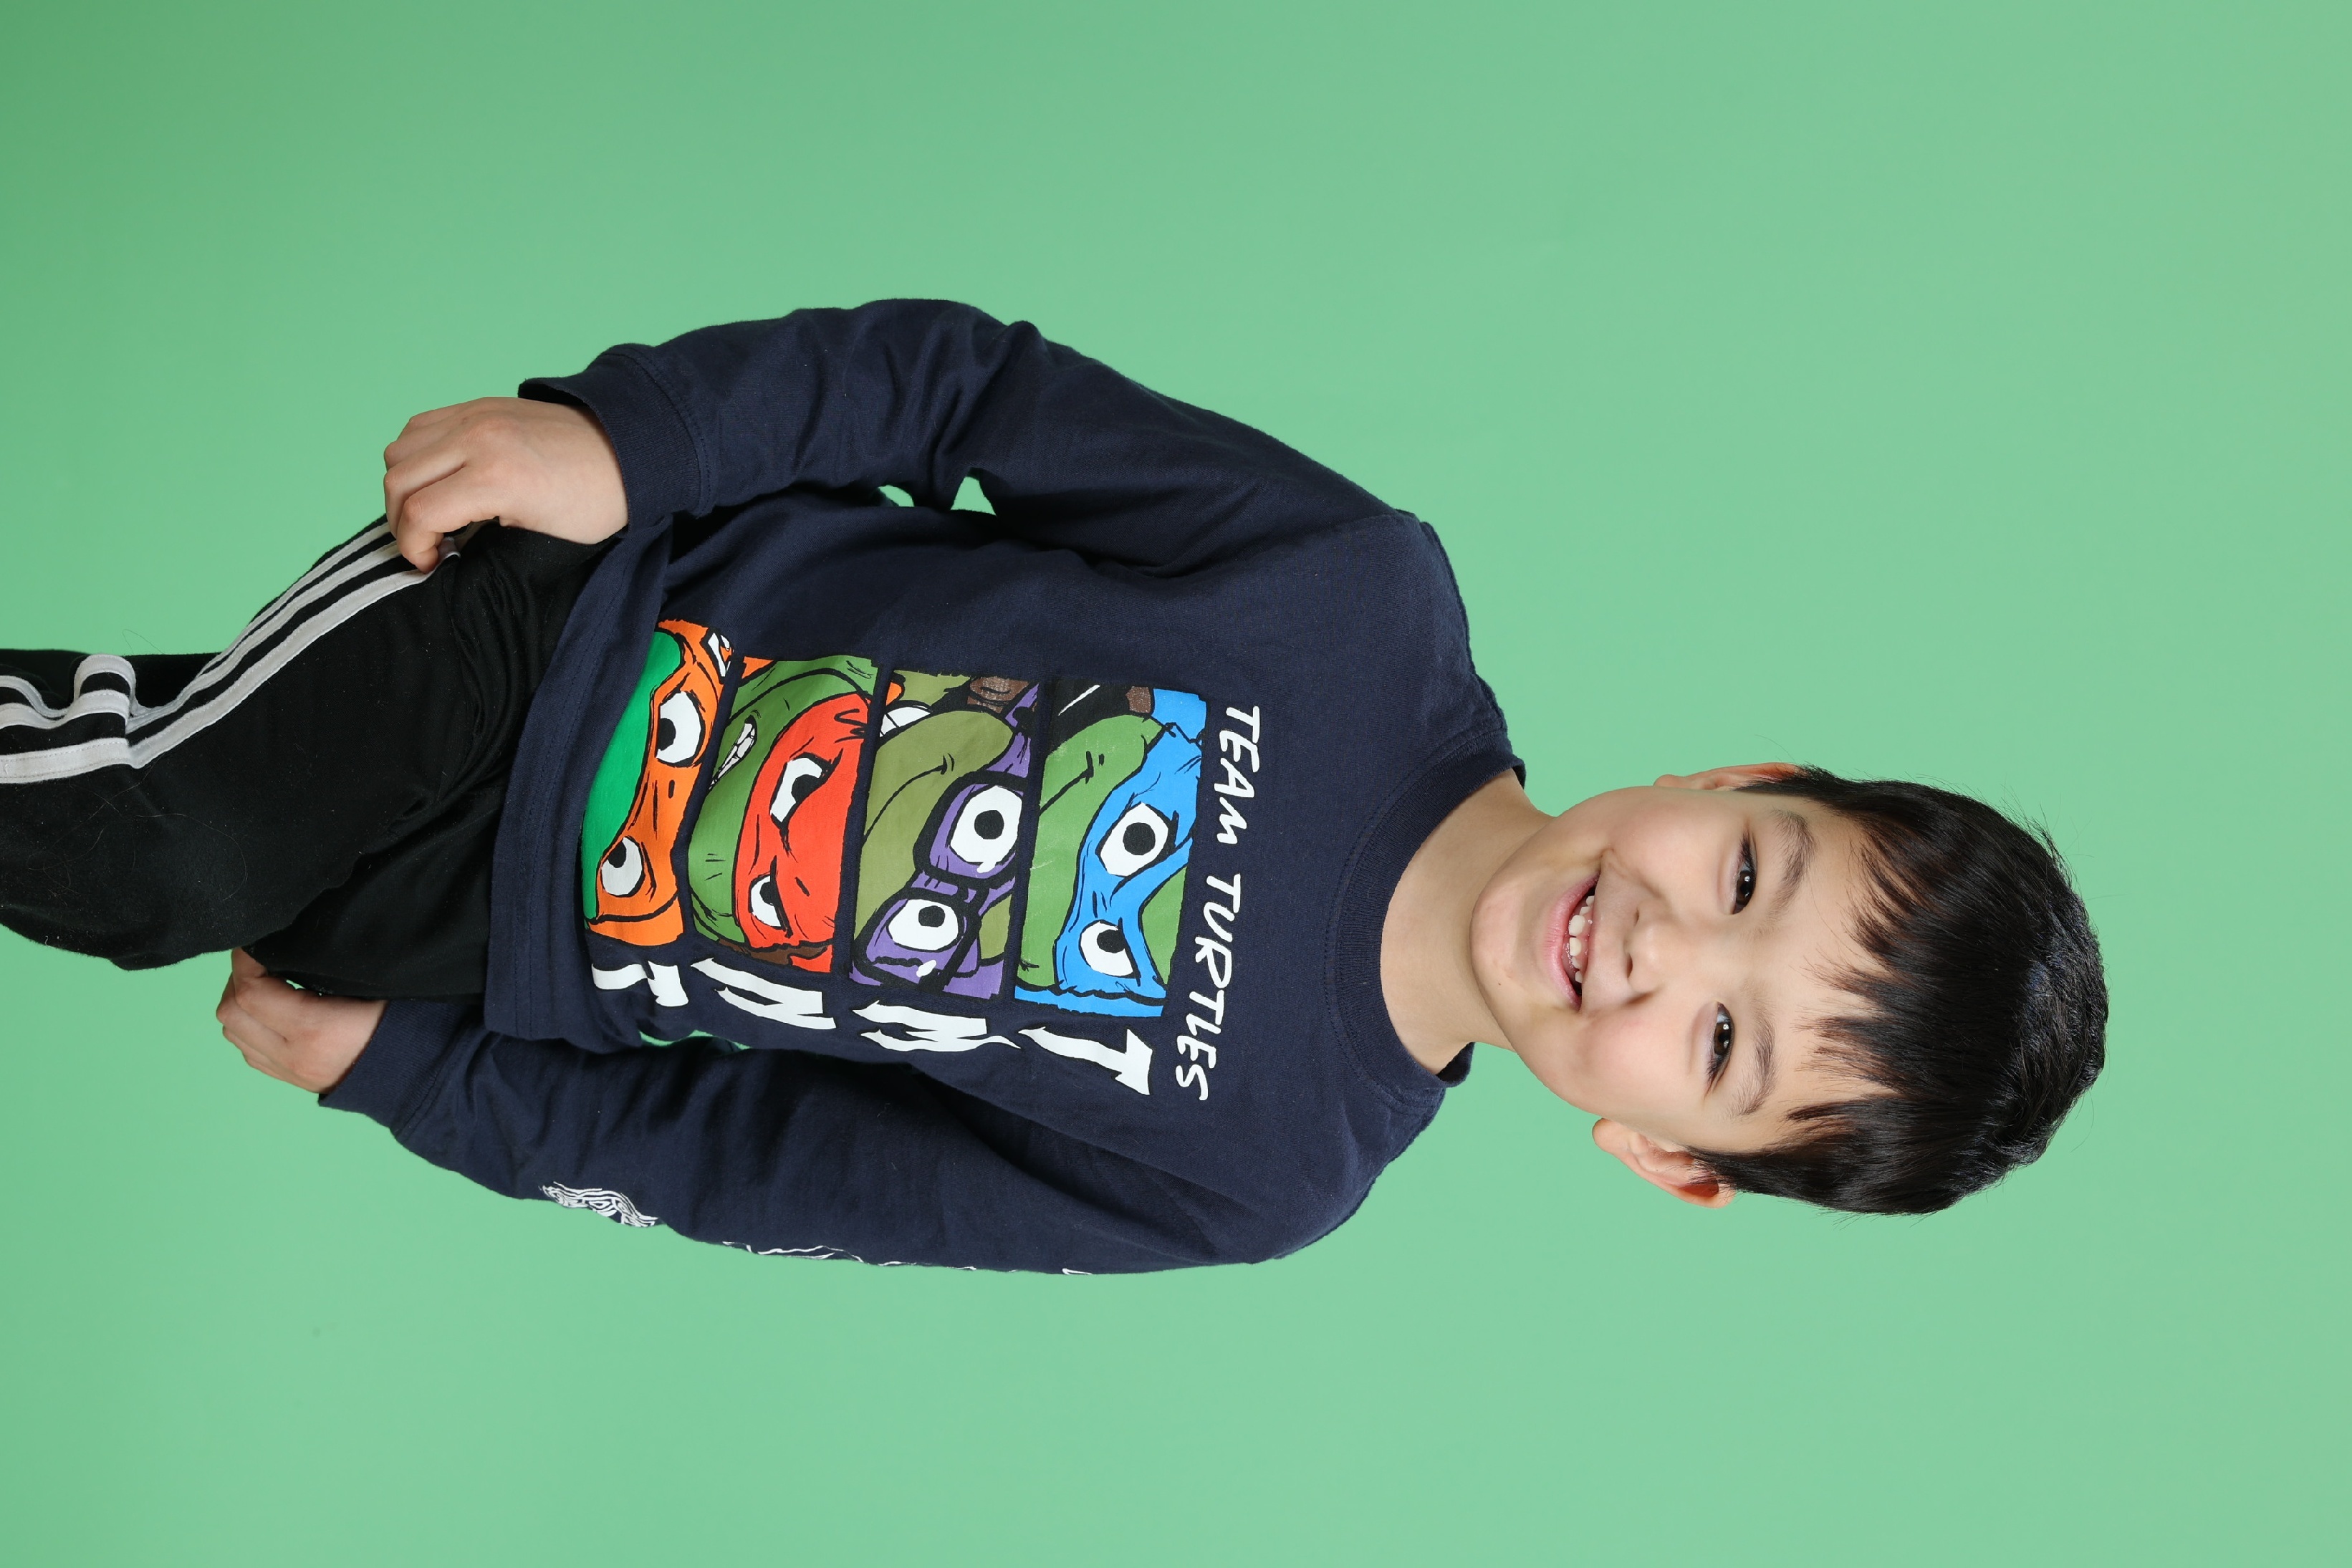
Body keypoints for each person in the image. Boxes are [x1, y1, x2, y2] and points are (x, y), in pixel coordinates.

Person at [0, 301, 2107, 1271]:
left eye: (1722, 1045)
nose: (1658, 949)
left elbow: (791, 1165)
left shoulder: (1264, 1175)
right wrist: (632, 445)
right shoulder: (1360, 602)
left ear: (1664, 1159)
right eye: (1745, 876)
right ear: (1735, 774)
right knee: (159, 843)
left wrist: (428, 1082)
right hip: (551, 625)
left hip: (497, 948)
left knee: (138, 807)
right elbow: (969, 393)